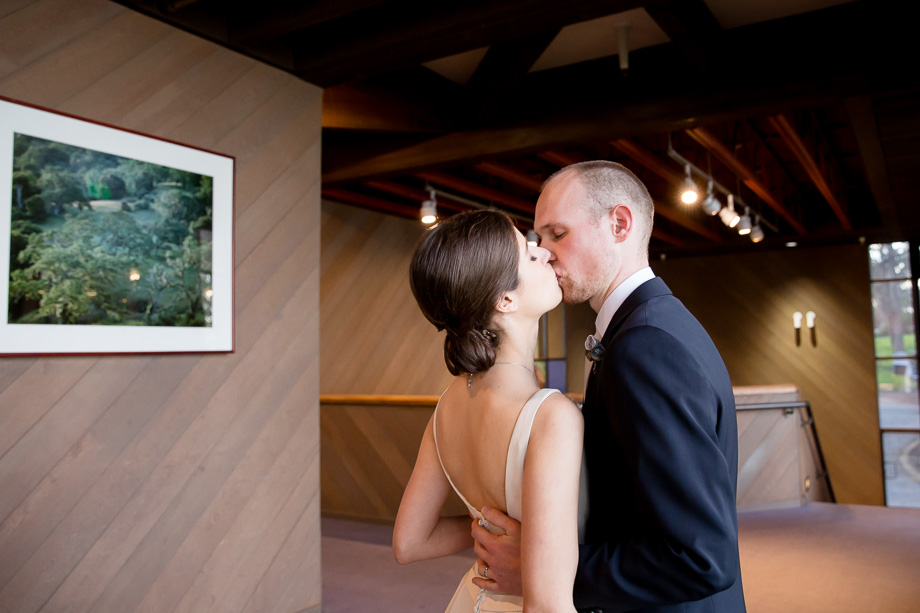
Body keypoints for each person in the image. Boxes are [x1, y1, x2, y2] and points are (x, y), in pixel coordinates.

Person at [471, 161, 747, 612]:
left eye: (558, 233)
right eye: (539, 238)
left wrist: (542, 571)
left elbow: (699, 557)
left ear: (619, 224)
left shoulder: (647, 346)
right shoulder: (648, 326)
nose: (545, 252)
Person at [393, 209, 585, 612]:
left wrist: (486, 527)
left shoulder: (447, 403)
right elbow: (548, 604)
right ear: (505, 299)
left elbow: (410, 543)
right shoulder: (552, 417)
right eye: (529, 254)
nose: (546, 253)